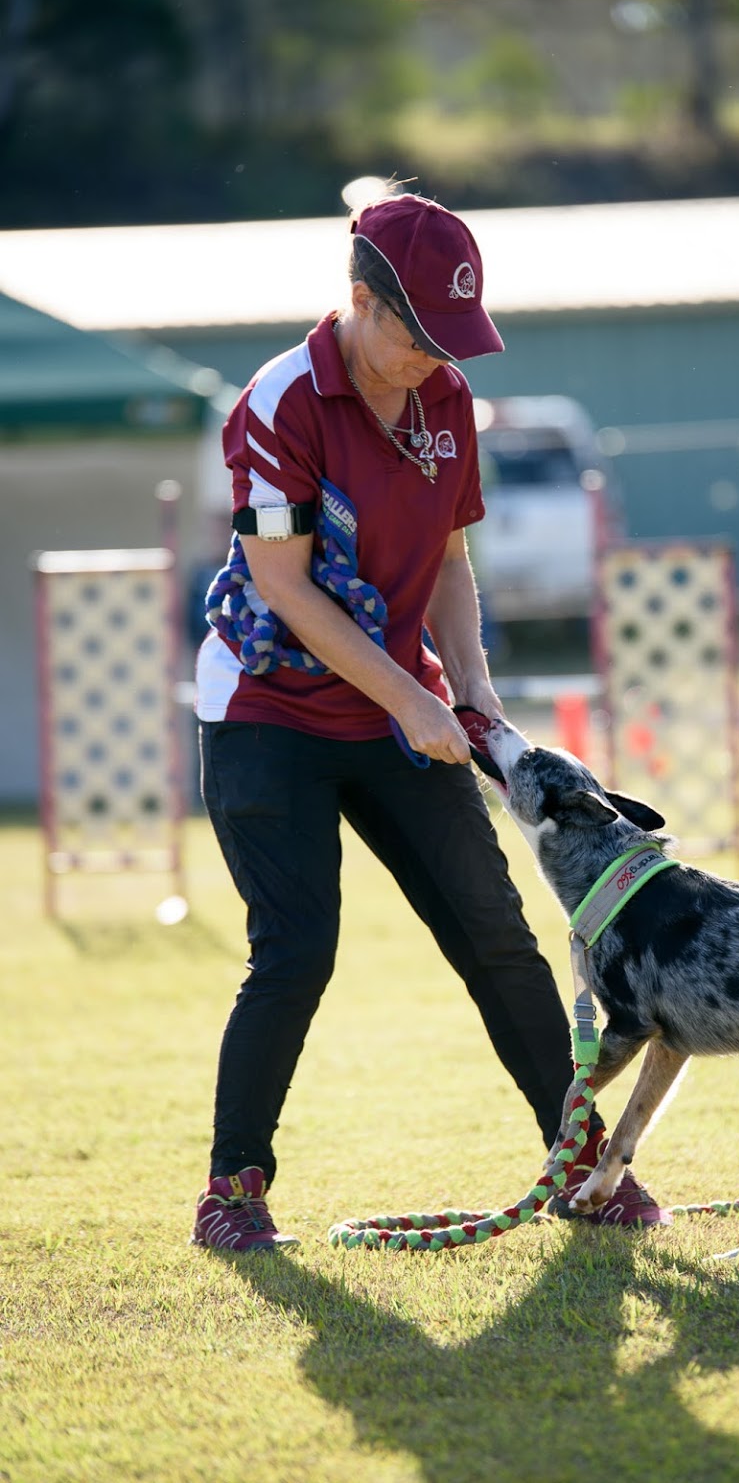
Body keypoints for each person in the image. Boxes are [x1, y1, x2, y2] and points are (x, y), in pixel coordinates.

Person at [190, 189, 670, 1250]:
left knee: (496, 932)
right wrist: (410, 695)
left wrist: (473, 688)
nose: (433, 360)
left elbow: (449, 556)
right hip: (269, 710)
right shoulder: (279, 402)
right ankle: (233, 1189)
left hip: (394, 707)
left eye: (450, 339)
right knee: (296, 947)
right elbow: (286, 586)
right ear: (359, 301)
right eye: (415, 333)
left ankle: (583, 1165)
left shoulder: (445, 398)